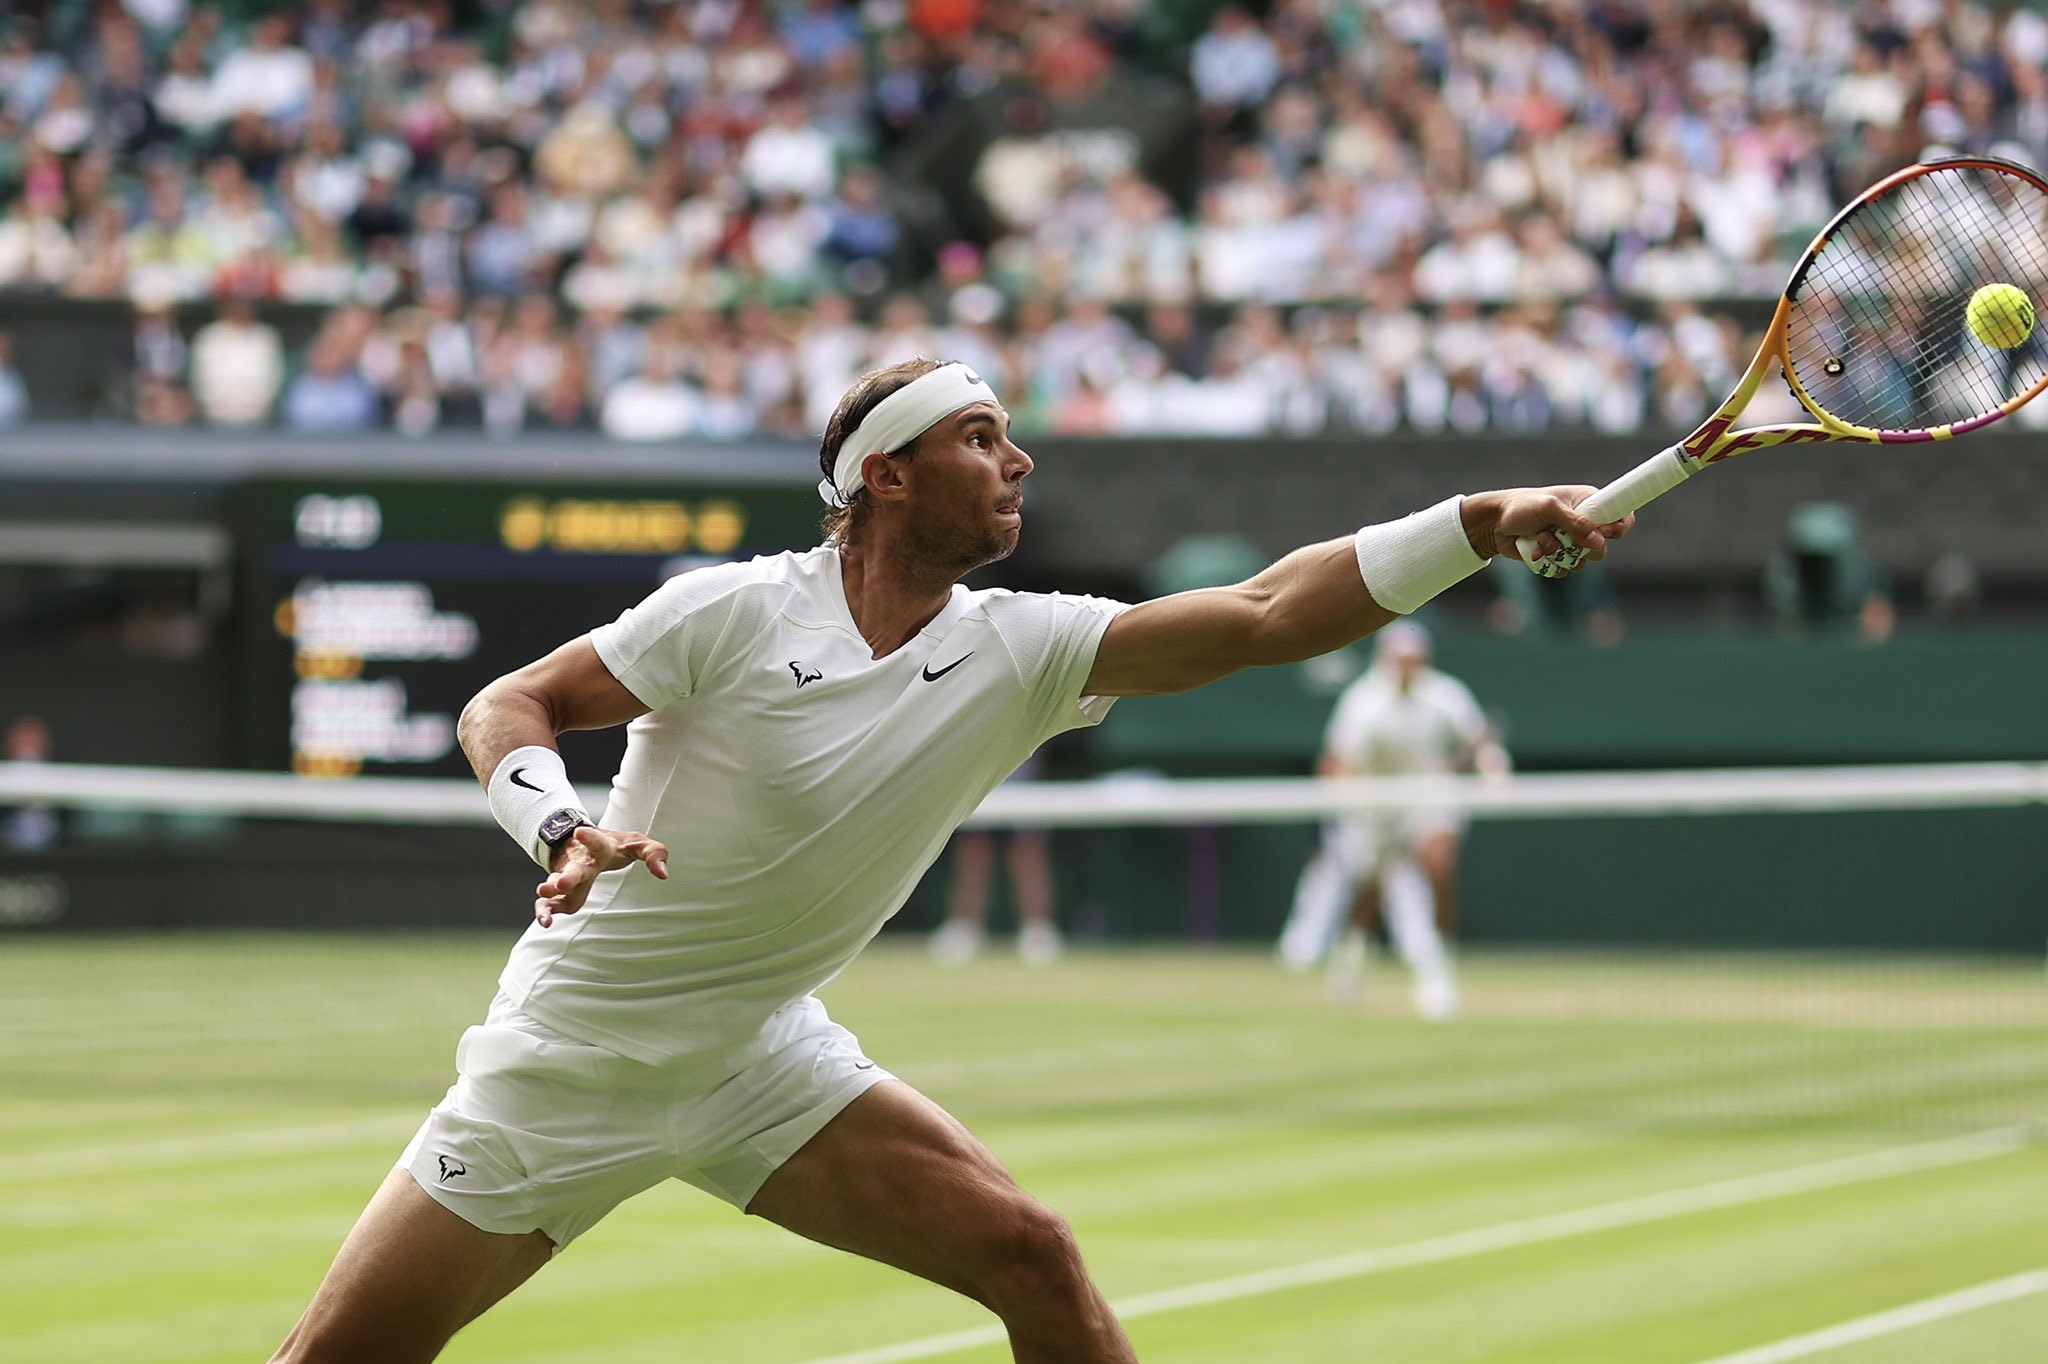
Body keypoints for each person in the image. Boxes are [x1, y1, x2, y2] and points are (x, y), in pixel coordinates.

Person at [270, 357, 1627, 1364]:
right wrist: (558, 825)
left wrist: (1479, 520)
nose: (1019, 460)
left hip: (754, 1059)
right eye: (983, 437)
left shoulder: (1019, 647)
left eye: (1015, 436)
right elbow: (505, 704)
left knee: (1033, 1259)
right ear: (887, 475)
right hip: (566, 1069)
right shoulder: (731, 614)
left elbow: (1267, 614)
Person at [1275, 621, 1509, 1021]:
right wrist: (1346, 805)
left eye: (1413, 660)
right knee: (1368, 895)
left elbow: (1479, 741)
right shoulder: (1362, 703)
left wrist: (1493, 770)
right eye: (1399, 660)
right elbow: (1337, 763)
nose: (1406, 668)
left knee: (1438, 867)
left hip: (1427, 799)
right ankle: (1353, 953)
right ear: (1385, 661)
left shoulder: (1445, 695)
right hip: (1372, 808)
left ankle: (1438, 970)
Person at [928, 753, 1063, 965]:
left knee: (1027, 850)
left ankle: (1037, 931)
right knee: (974, 850)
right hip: (979, 767)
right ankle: (964, 928)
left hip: (1022, 768)